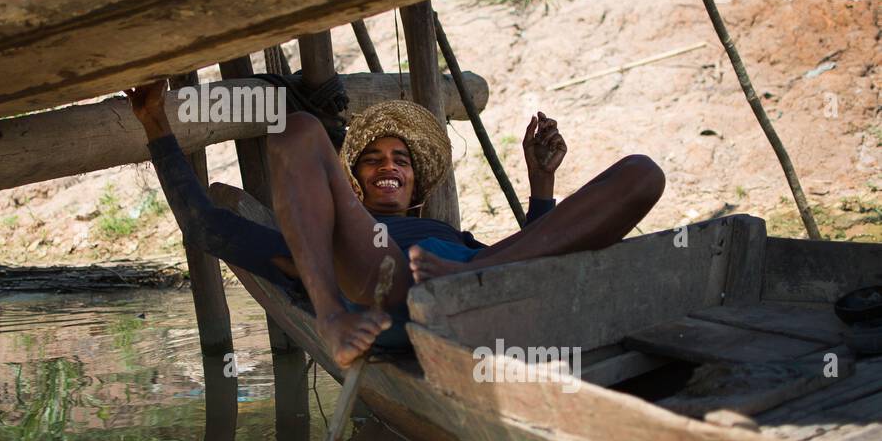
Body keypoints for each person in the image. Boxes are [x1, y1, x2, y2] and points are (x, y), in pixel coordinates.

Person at [127, 80, 664, 368]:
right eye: (373, 159)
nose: (388, 165)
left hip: (482, 275)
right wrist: (155, 122)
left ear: (416, 185)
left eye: (401, 160)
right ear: (352, 183)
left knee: (643, 174)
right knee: (298, 128)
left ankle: (472, 279)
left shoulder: (454, 239)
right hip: (382, 284)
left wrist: (541, 184)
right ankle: (336, 316)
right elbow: (201, 224)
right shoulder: (322, 240)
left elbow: (544, 248)